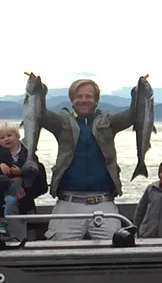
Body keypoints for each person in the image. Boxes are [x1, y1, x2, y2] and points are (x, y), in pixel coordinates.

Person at [34, 77, 139, 240]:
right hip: (68, 203)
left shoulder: (109, 122)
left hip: (104, 202)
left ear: (96, 100)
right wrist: (40, 93)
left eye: (89, 96)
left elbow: (132, 115)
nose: (84, 100)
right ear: (72, 100)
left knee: (114, 253)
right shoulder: (61, 121)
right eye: (79, 96)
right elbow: (40, 114)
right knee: (59, 255)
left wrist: (137, 95)